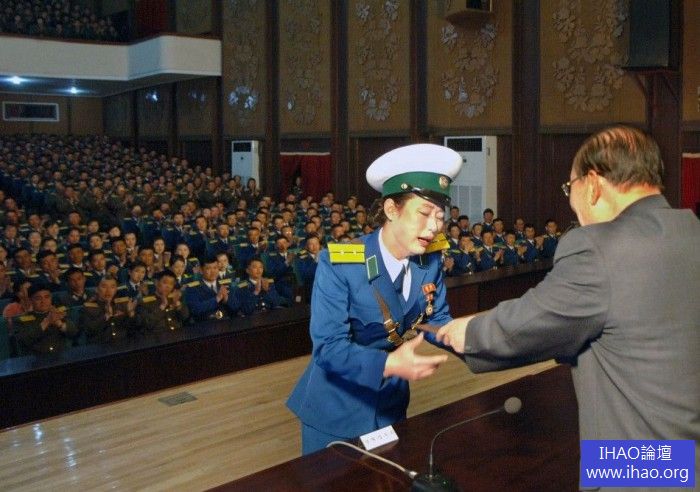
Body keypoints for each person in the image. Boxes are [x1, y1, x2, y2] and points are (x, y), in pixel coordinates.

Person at [436, 126, 700, 487]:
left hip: (644, 469)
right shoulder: (690, 231)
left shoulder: (597, 246)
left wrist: (462, 331)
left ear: (592, 184)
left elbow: (528, 325)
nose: (570, 200)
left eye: (569, 187)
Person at [287, 143, 462, 454]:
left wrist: (471, 336)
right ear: (391, 210)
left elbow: (436, 318)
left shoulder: (430, 260)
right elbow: (328, 347)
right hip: (336, 409)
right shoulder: (341, 264)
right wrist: (391, 363)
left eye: (440, 216)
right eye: (424, 213)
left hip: (390, 406)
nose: (435, 227)